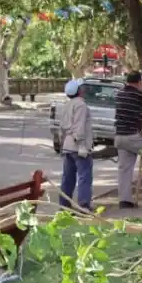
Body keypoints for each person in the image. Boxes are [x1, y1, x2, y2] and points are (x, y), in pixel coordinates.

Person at [112, 70, 142, 208]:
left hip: (119, 136)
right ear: (139, 82)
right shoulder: (138, 94)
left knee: (124, 169)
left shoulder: (119, 93)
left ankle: (124, 200)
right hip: (133, 137)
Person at [56, 79, 93, 210]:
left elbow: (61, 128)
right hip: (78, 145)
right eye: (82, 88)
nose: (84, 90)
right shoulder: (81, 105)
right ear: (78, 91)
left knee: (68, 177)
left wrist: (62, 144)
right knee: (84, 176)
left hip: (67, 145)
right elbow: (79, 126)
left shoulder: (67, 105)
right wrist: (82, 144)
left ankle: (64, 205)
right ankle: (84, 205)